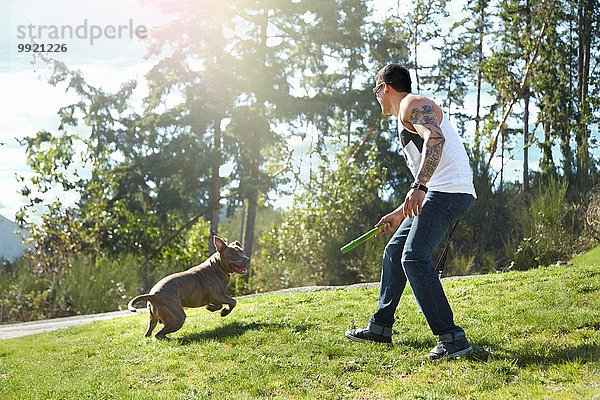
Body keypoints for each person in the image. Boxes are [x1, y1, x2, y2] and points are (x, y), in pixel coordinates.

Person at [345, 64, 477, 360]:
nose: (376, 98)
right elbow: (425, 175)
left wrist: (418, 185)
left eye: (375, 91)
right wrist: (398, 213)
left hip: (450, 191)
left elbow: (436, 138)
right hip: (438, 191)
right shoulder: (404, 116)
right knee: (395, 250)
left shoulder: (413, 104)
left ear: (385, 88)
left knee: (414, 257)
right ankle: (380, 328)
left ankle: (452, 338)